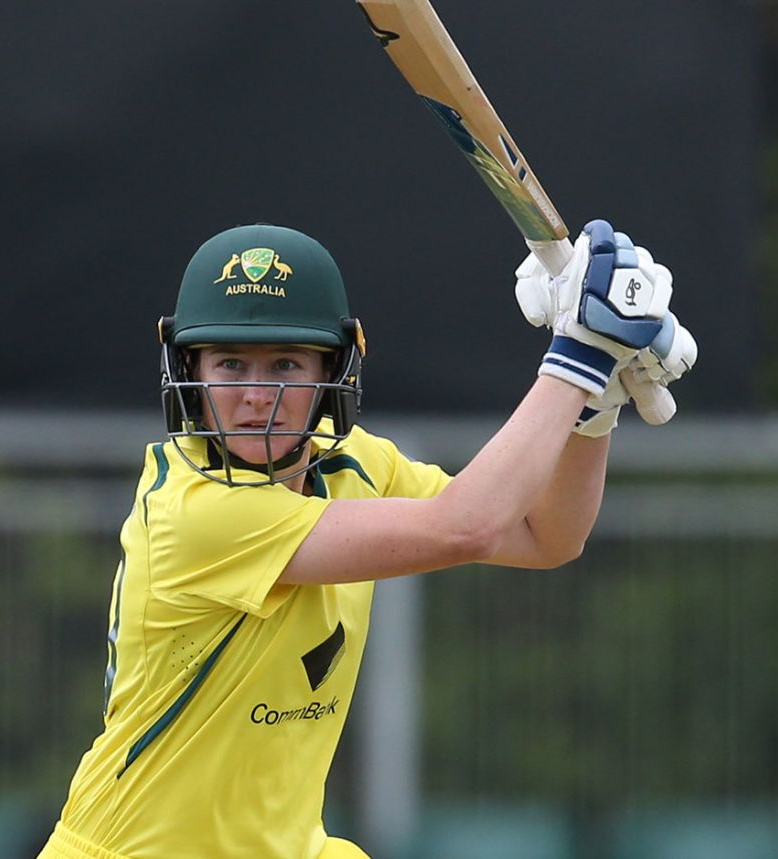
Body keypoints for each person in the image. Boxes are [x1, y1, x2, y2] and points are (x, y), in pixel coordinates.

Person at [38, 222, 697, 859]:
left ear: (334, 368)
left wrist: (592, 407)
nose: (254, 395)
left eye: (286, 364)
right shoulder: (198, 513)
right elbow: (468, 524)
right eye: (230, 361)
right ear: (190, 368)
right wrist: (577, 355)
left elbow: (545, 534)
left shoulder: (355, 464)